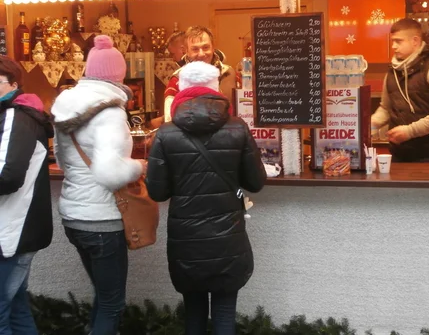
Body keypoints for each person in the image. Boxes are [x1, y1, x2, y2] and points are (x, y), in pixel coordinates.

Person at [146, 61, 266, 335]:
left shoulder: (166, 134)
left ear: (182, 90)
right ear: (215, 89)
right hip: (228, 237)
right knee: (224, 312)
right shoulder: (237, 128)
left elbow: (157, 192)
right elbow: (256, 182)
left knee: (194, 312)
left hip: (187, 240)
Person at [51, 35, 146, 335]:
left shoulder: (66, 105)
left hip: (73, 216)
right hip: (102, 221)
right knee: (112, 304)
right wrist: (139, 166)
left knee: (103, 297)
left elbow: (62, 160)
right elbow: (108, 174)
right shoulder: (110, 112)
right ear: (119, 75)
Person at [0, 56, 53, 335]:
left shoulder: (16, 116)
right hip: (17, 229)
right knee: (17, 308)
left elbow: (8, 176)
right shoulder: (18, 114)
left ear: (13, 84)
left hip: (12, 231)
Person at [371, 18, 429, 162]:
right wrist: (368, 126)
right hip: (400, 154)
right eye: (392, 41)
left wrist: (409, 131)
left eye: (399, 41)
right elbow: (385, 108)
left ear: (415, 41)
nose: (393, 46)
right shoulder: (392, 72)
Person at [164, 26, 236, 122]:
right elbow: (169, 120)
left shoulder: (229, 73)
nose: (201, 54)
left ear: (213, 47)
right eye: (195, 49)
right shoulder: (177, 80)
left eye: (206, 47)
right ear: (186, 51)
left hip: (225, 135)